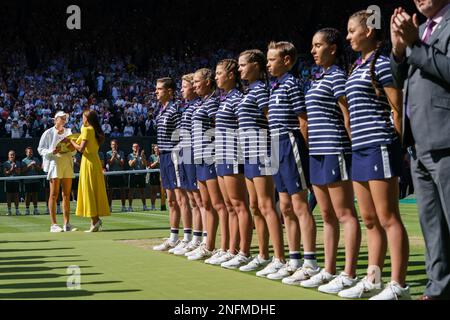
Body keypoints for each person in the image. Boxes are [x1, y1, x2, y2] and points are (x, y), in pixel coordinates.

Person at [337, 10, 410, 300]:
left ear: (368, 31)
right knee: (369, 219)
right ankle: (374, 279)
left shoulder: (380, 64)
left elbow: (397, 108)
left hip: (380, 144)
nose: (348, 36)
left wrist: (398, 146)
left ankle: (398, 285)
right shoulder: (357, 66)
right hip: (360, 149)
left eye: (352, 30)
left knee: (388, 216)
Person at [390, 0, 450, 300]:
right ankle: (438, 289)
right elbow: (401, 80)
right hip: (418, 141)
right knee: (431, 223)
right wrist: (399, 51)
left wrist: (414, 46)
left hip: (446, 137)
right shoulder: (421, 29)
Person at [296, 28, 362, 293]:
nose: (313, 50)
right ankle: (329, 270)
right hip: (317, 153)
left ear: (332, 49)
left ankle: (349, 274)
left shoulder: (337, 77)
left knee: (345, 213)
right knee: (326, 214)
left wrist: (354, 148)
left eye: (318, 45)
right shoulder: (317, 78)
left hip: (335, 149)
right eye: (312, 46)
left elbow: (348, 116)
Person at [263, 41, 319, 281]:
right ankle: (293, 259)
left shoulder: (292, 84)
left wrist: (307, 149)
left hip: (290, 141)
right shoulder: (275, 86)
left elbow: (303, 120)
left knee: (299, 205)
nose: (268, 64)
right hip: (275, 144)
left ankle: (310, 262)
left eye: (272, 59)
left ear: (286, 61)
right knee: (284, 206)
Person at [236, 49, 285, 273]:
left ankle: (279, 257)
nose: (239, 69)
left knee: (266, 205)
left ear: (256, 65)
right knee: (255, 206)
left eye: (243, 65)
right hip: (247, 154)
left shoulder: (261, 90)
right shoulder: (249, 91)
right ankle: (263, 255)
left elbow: (269, 119)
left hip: (261, 152)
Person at [187, 68, 229, 261]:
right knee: (206, 204)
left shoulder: (213, 103)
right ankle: (209, 245)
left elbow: (217, 127)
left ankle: (225, 247)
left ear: (207, 81)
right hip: (200, 158)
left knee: (219, 204)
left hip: (211, 157)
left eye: (197, 81)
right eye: (193, 82)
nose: (194, 85)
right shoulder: (203, 102)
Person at [152, 77, 193, 253]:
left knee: (181, 198)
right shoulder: (161, 111)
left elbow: (181, 135)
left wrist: (175, 152)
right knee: (170, 200)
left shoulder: (175, 110)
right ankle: (174, 236)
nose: (156, 92)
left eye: (160, 89)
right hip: (165, 156)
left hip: (175, 155)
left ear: (169, 91)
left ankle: (188, 237)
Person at [174, 74, 207, 257]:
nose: (182, 90)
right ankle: (195, 238)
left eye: (185, 86)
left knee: (199, 199)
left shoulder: (198, 106)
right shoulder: (187, 108)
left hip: (196, 153)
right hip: (186, 153)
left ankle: (204, 239)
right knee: (193, 200)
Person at [69, 110, 110, 232]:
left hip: (88, 162)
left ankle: (95, 221)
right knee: (93, 190)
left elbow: (81, 149)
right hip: (94, 161)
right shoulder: (92, 130)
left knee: (89, 190)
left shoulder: (87, 130)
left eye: (83, 117)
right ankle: (95, 220)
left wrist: (70, 141)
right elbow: (81, 141)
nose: (82, 118)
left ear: (87, 118)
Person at [38, 111, 77, 232]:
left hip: (67, 163)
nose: (64, 120)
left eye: (65, 119)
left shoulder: (69, 132)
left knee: (66, 194)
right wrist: (51, 151)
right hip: (54, 163)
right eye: (62, 118)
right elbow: (40, 149)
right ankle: (53, 224)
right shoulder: (48, 133)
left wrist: (72, 149)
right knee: (54, 194)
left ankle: (67, 224)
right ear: (56, 119)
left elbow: (74, 150)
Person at [106, 139, 127, 212]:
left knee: (122, 191)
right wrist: (113, 156)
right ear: (110, 145)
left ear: (117, 145)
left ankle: (123, 207)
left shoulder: (121, 153)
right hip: (111, 175)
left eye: (115, 144)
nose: (113, 146)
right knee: (110, 192)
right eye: (112, 144)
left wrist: (117, 157)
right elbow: (109, 163)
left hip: (120, 174)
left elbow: (122, 164)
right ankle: (109, 207)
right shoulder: (108, 153)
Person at [21, 147, 43, 215]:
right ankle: (27, 209)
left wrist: (35, 165)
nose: (30, 153)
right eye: (29, 152)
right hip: (27, 181)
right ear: (26, 153)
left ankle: (35, 209)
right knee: (27, 195)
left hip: (35, 180)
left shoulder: (36, 159)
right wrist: (29, 165)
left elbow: (39, 169)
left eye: (31, 152)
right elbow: (22, 171)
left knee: (35, 195)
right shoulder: (23, 161)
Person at [127, 143, 148, 212]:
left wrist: (142, 157)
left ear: (139, 147)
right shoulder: (130, 155)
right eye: (134, 147)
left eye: (137, 147)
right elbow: (131, 164)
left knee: (142, 191)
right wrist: (136, 157)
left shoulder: (142, 155)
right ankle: (130, 207)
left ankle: (144, 206)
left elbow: (144, 164)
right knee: (131, 191)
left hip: (141, 175)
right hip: (133, 175)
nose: (135, 148)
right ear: (132, 148)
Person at [3, 150, 21, 216]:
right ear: (8, 155)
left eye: (13, 154)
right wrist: (11, 169)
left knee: (16, 196)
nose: (12, 156)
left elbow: (19, 173)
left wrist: (15, 168)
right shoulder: (5, 163)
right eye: (11, 155)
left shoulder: (18, 163)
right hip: (8, 182)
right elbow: (5, 173)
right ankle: (9, 211)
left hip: (16, 181)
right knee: (9, 197)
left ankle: (17, 210)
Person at [147, 144, 161, 211]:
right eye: (156, 148)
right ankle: (153, 206)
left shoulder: (163, 156)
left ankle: (163, 205)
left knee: (163, 191)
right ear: (154, 149)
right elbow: (150, 166)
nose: (157, 149)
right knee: (153, 191)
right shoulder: (151, 156)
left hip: (162, 174)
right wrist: (156, 162)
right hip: (154, 175)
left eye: (158, 148)